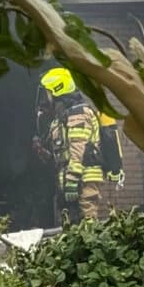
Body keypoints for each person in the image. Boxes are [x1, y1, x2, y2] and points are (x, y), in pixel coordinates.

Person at [39, 67, 103, 222]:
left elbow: (78, 150)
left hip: (83, 179)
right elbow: (63, 152)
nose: (45, 98)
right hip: (69, 179)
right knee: (71, 225)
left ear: (57, 89)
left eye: (46, 93)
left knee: (88, 223)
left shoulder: (78, 114)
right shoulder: (61, 117)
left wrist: (72, 180)